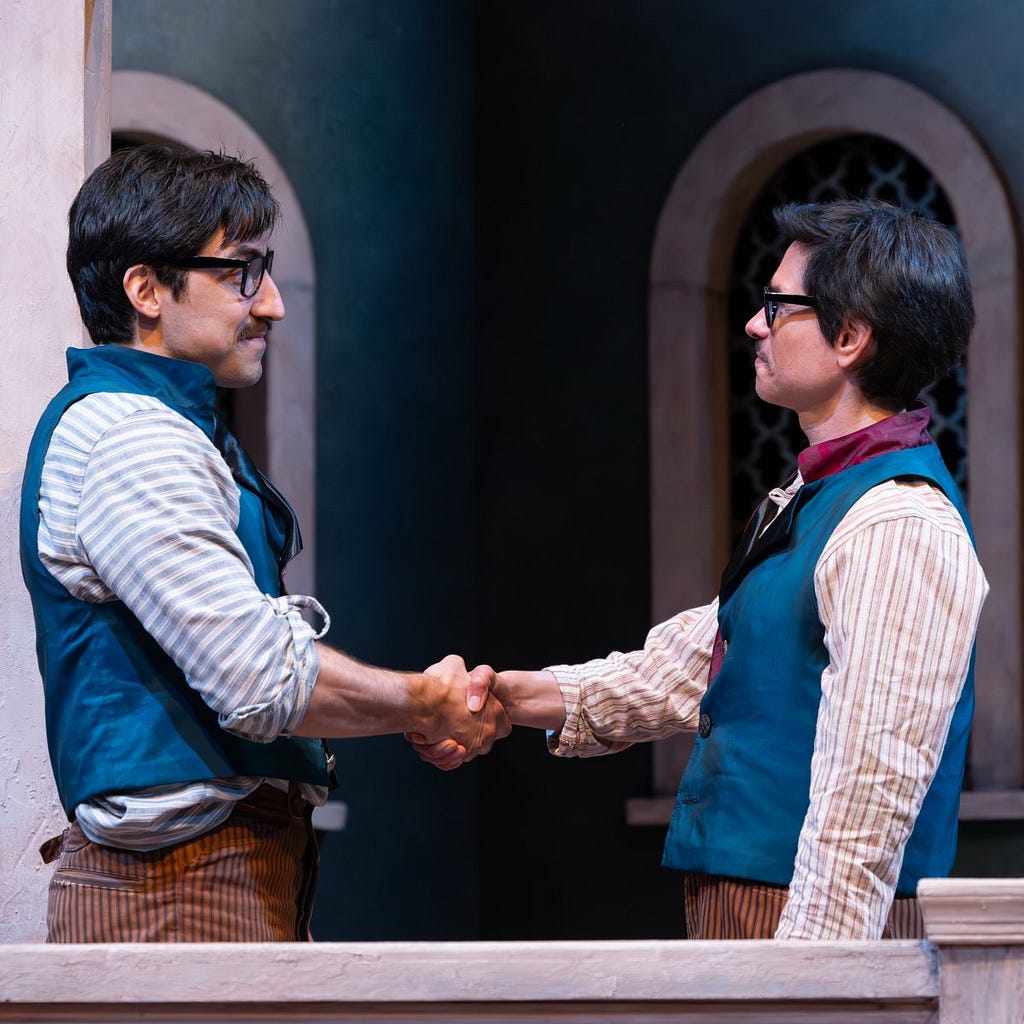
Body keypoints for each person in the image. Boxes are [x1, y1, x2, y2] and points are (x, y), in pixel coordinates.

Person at [413, 199, 988, 941]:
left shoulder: (901, 521)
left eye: (779, 306)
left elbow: (868, 796)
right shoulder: (822, 497)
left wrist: (814, 988)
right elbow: (699, 664)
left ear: (849, 337)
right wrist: (513, 697)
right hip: (757, 903)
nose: (755, 323)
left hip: (811, 918)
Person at [20, 144, 508, 944]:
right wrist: (424, 701)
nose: (272, 303)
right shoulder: (126, 435)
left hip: (218, 867)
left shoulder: (173, 427)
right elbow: (255, 679)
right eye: (241, 271)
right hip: (172, 882)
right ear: (145, 288)